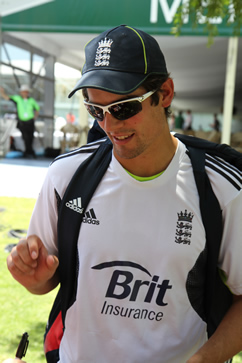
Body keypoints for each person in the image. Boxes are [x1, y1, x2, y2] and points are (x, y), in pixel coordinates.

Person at [6, 25, 242, 363]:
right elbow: (47, 279)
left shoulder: (221, 188)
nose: (110, 125)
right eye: (95, 110)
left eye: (124, 108)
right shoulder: (67, 176)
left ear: (166, 92)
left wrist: (204, 359)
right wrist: (36, 279)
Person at [0, 85, 40, 158]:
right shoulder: (18, 99)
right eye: (23, 92)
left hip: (30, 122)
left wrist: (35, 117)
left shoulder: (31, 100)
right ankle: (29, 152)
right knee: (25, 137)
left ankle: (28, 151)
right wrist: (2, 92)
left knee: (31, 137)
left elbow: (37, 108)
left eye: (26, 92)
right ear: (21, 92)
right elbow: (7, 98)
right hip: (22, 122)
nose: (25, 93)